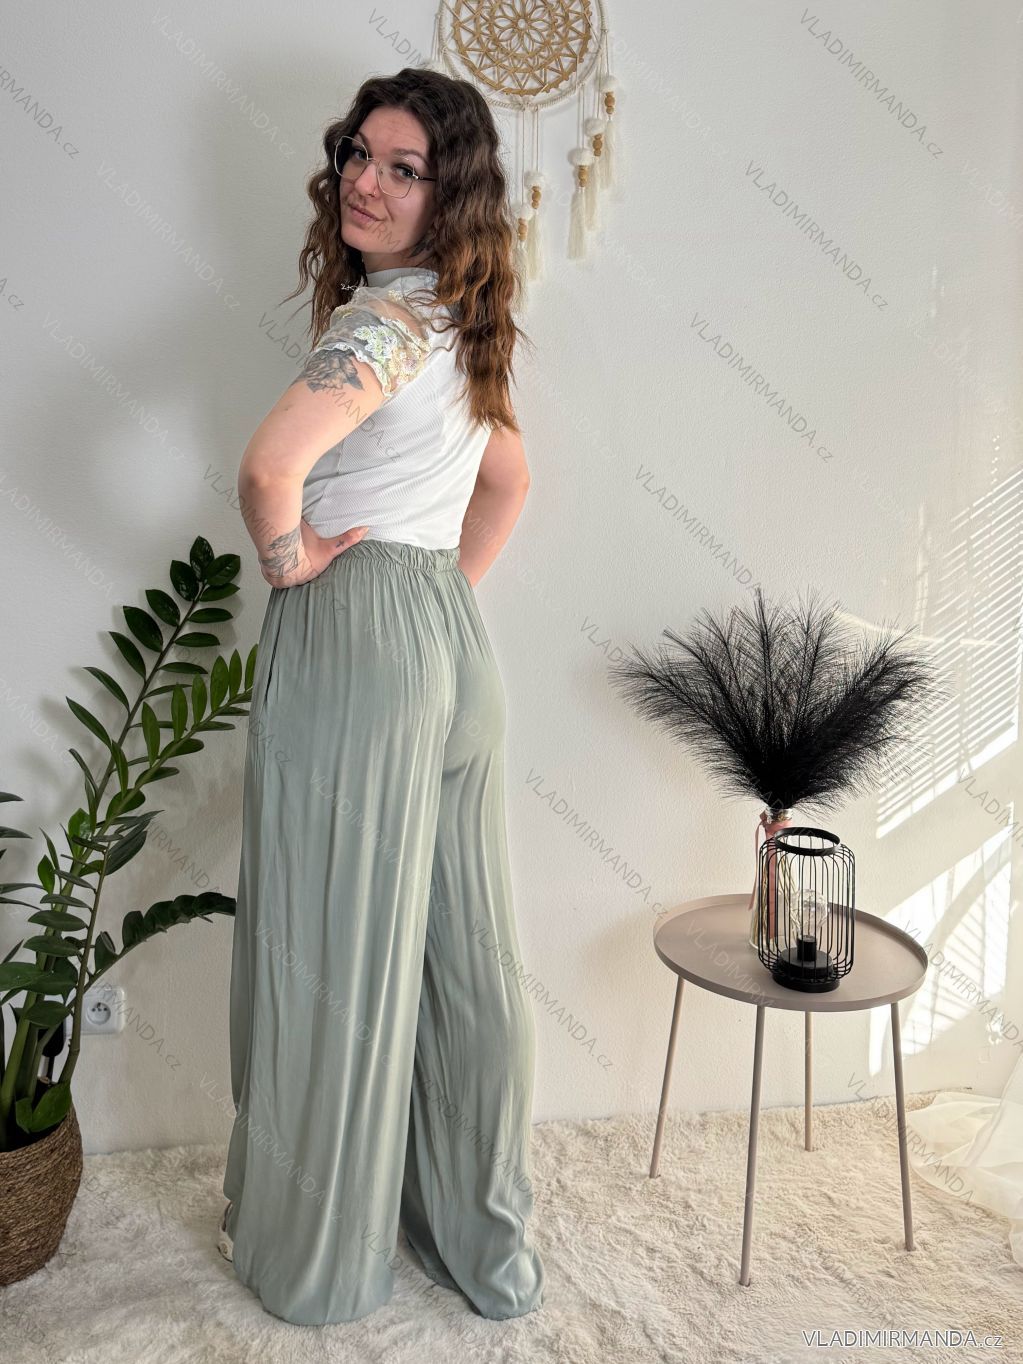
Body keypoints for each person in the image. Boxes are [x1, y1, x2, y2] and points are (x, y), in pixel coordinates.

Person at [217, 66, 545, 1326]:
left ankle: (322, 1260)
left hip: (358, 645)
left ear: (446, 196)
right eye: (361, 153)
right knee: (467, 956)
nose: (366, 180)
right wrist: (435, 594)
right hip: (449, 648)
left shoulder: (379, 329)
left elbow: (269, 469)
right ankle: (482, 1247)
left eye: (404, 169)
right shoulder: (463, 324)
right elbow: (508, 483)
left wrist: (293, 559)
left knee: (333, 958)